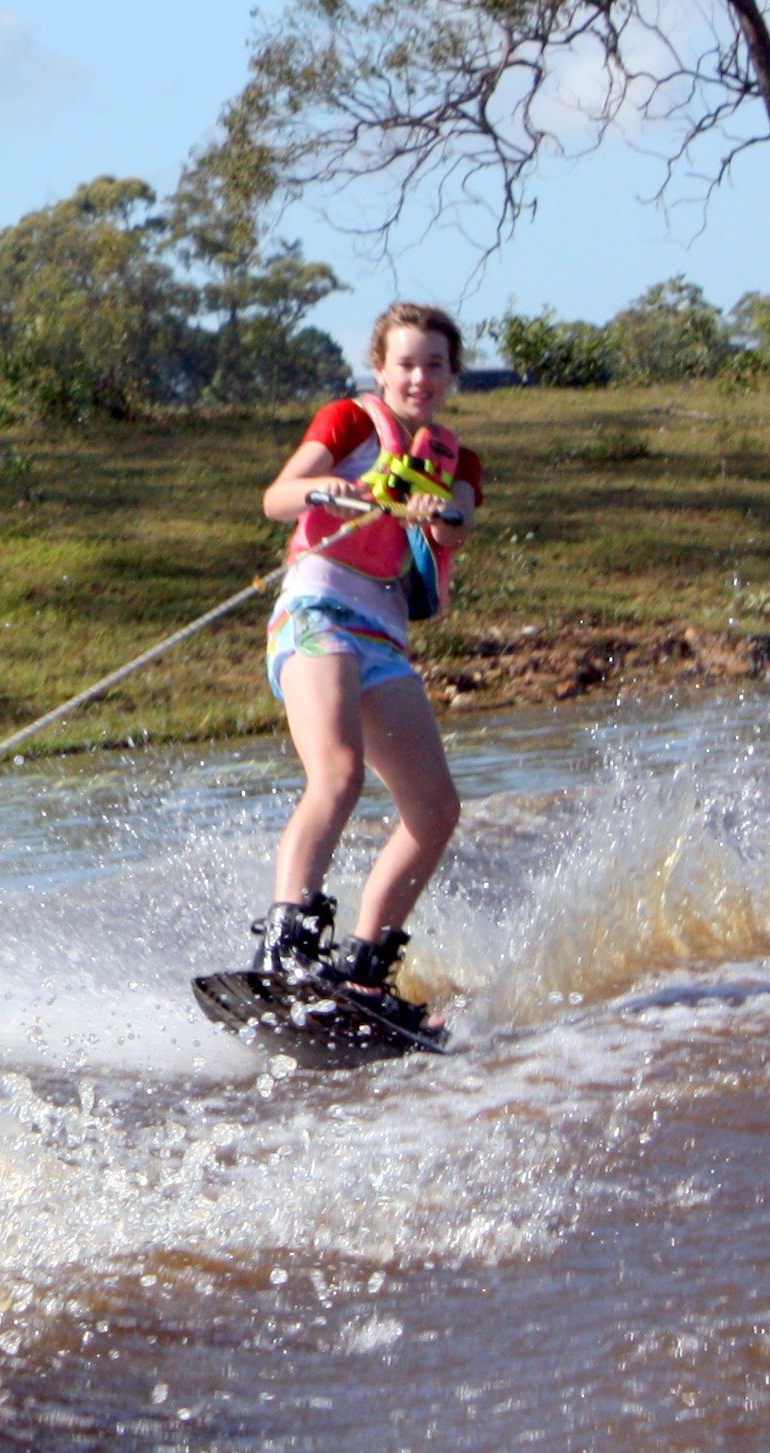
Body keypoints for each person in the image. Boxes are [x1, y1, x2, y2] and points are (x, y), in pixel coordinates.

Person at [247, 302, 484, 1035]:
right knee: (339, 774)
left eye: (434, 366)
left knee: (435, 809)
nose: (419, 377)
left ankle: (364, 966)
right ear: (379, 369)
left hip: (382, 636)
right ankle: (288, 944)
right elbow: (276, 498)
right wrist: (332, 489)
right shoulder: (348, 423)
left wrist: (433, 509)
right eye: (405, 364)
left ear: (451, 376)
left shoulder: (458, 460)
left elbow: (460, 519)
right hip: (316, 612)